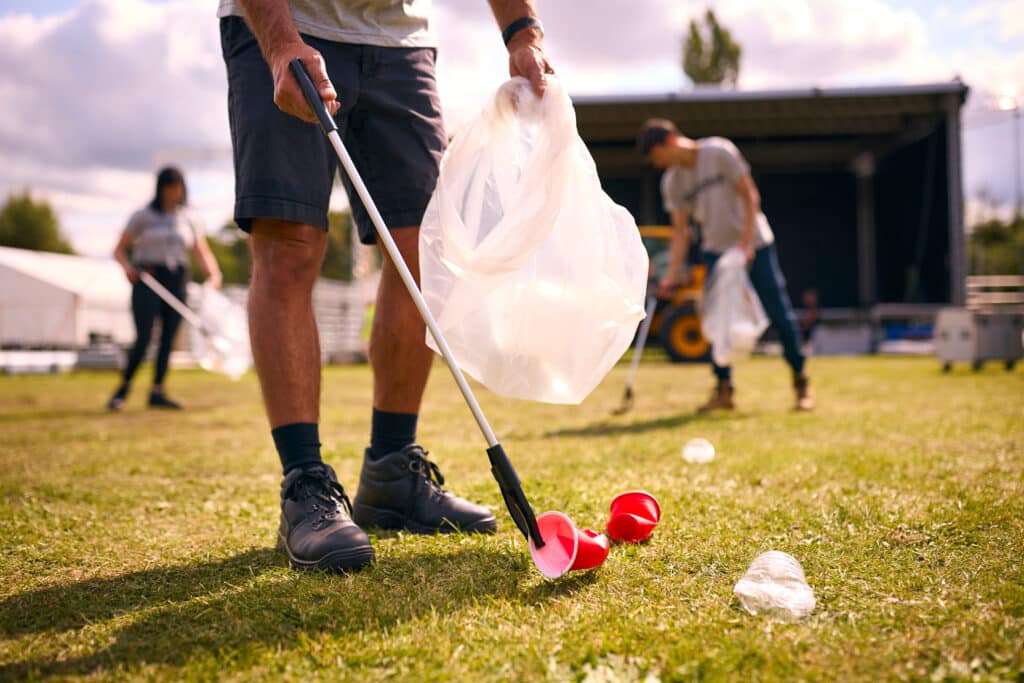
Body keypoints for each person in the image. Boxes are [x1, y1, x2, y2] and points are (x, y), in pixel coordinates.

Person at [217, 0, 554, 572]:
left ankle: (392, 471)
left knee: (421, 247)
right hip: (288, 27)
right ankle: (305, 482)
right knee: (292, 244)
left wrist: (523, 30)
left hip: (400, 42)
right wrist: (278, 45)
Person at [638, 119, 815, 413]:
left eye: (658, 157)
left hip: (755, 245)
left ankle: (801, 383)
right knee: (714, 321)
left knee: (779, 313)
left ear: (669, 142)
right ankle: (723, 390)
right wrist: (670, 276)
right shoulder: (672, 182)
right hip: (716, 253)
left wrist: (746, 244)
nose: (659, 165)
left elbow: (750, 195)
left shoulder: (719, 152)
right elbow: (681, 231)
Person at [108, 167, 222, 411]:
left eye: (178, 188)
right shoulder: (143, 216)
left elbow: (201, 252)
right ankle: (123, 388)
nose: (174, 193)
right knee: (145, 336)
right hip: (148, 279)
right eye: (169, 188)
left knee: (169, 339)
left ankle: (157, 391)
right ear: (160, 189)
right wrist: (129, 269)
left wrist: (213, 275)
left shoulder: (188, 218)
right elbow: (119, 250)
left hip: (177, 280)